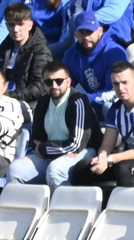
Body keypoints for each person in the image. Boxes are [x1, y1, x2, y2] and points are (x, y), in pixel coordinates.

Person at [70, 60, 134, 192]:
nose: (120, 88)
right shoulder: (115, 107)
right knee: (84, 165)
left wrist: (109, 159)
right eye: (116, 83)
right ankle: (91, 208)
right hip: (128, 157)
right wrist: (102, 156)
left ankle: (131, 209)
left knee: (124, 168)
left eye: (125, 82)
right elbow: (107, 144)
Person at [14, 60, 98, 188]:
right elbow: (36, 140)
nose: (54, 85)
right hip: (53, 153)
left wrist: (44, 148)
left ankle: (64, 207)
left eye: (59, 81)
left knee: (55, 170)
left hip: (84, 151)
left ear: (68, 81)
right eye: (48, 82)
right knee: (15, 170)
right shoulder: (42, 102)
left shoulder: (78, 101)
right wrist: (44, 149)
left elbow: (76, 145)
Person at [61, 10, 126, 101]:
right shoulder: (70, 55)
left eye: (89, 32)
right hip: (86, 102)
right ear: (75, 34)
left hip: (112, 104)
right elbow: (66, 87)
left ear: (100, 31)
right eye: (81, 32)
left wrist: (84, 100)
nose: (86, 37)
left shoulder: (114, 53)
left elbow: (114, 92)